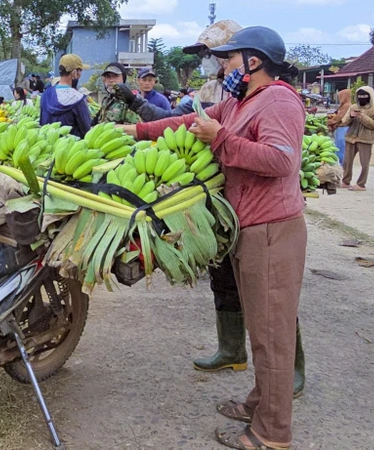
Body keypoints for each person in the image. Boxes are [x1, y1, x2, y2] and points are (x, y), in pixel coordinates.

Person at [126, 27, 306, 450]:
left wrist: (221, 140)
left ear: (254, 61)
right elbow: (194, 121)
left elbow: (281, 160)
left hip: (272, 230)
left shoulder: (279, 100)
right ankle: (259, 403)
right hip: (251, 228)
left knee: (272, 337)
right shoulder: (242, 101)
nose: (222, 66)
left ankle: (272, 434)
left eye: (229, 59)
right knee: (262, 330)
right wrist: (137, 133)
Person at [114, 20, 242, 122]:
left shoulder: (252, 92)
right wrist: (134, 101)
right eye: (201, 55)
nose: (205, 60)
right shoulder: (208, 90)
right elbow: (171, 120)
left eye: (208, 53)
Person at [339, 86, 374, 190]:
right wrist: (351, 117)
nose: (362, 98)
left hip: (365, 139)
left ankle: (361, 184)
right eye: (360, 96)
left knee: (364, 163)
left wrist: (363, 116)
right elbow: (344, 122)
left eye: (364, 96)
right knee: (347, 162)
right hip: (350, 137)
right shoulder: (353, 107)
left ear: (370, 96)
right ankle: (345, 181)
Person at [40, 54, 92, 138]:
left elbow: (42, 122)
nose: (80, 75)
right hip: (71, 148)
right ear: (74, 72)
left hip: (48, 146)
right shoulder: (78, 99)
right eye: (80, 71)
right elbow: (86, 130)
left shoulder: (46, 94)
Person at [327, 89, 352, 165]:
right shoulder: (343, 105)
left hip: (343, 129)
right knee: (338, 146)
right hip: (340, 128)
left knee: (341, 147)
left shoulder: (347, 106)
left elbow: (339, 117)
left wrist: (330, 122)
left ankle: (341, 164)